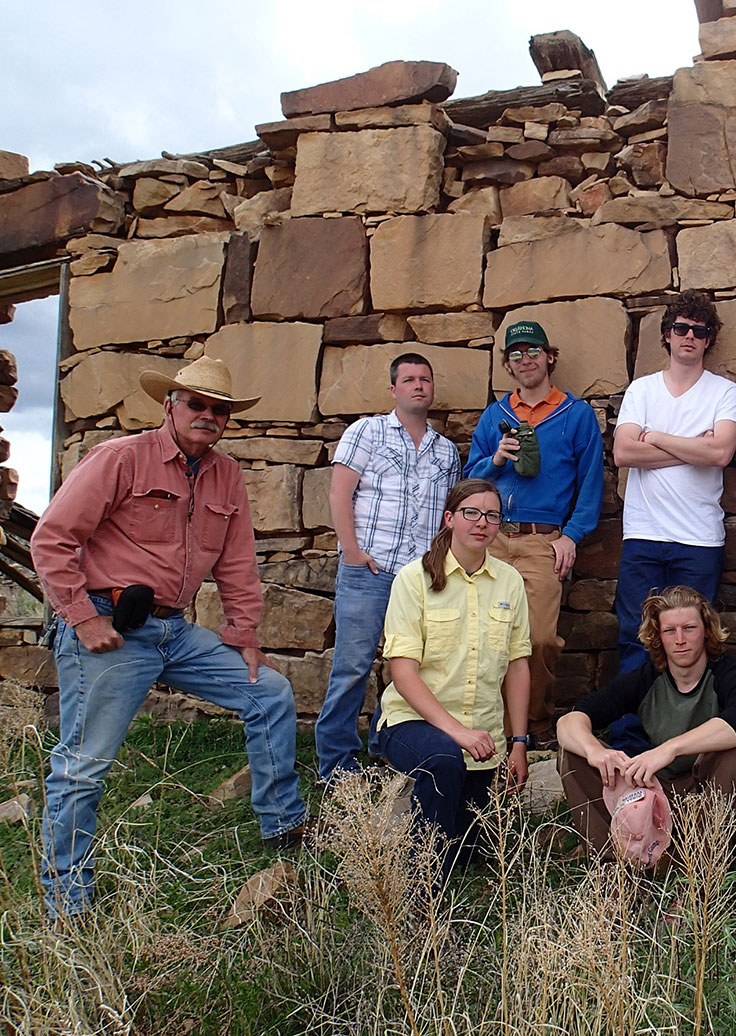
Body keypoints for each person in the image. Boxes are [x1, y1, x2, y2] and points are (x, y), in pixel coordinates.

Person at [31, 357, 310, 916]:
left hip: (174, 631)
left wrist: (244, 632)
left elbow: (236, 563)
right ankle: (68, 899)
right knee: (83, 765)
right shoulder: (120, 458)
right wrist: (83, 617)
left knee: (270, 692)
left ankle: (283, 828)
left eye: (219, 409)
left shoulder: (225, 474)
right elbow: (53, 539)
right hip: (110, 627)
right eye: (196, 404)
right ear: (170, 406)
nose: (208, 416)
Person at [368, 478, 531, 876]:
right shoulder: (414, 578)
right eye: (470, 513)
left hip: (483, 740)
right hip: (412, 723)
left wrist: (519, 743)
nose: (481, 523)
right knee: (443, 761)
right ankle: (423, 903)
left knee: (465, 849)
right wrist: (456, 732)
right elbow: (401, 672)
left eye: (492, 515)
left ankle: (432, 854)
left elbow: (517, 666)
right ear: (449, 519)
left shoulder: (510, 581)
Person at [314, 352, 461, 784]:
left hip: (418, 578)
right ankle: (335, 764)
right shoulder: (367, 432)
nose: (419, 386)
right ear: (393, 388)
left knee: (410, 666)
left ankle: (386, 744)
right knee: (352, 665)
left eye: (425, 380)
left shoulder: (446, 452)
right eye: (410, 379)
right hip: (369, 570)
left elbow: (446, 518)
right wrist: (352, 550)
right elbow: (340, 494)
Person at [465, 321, 604, 744]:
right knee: (480, 634)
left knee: (540, 638)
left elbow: (592, 485)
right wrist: (496, 461)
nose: (525, 360)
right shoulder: (496, 415)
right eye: (516, 354)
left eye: (533, 351)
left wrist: (571, 535)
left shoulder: (576, 415)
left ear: (550, 357)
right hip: (492, 536)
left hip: (544, 540)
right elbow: (469, 478)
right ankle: (487, 727)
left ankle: (536, 724)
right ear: (508, 364)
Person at [556, 585, 736, 859]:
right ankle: (614, 864)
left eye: (689, 628)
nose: (680, 639)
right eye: (669, 631)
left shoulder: (730, 674)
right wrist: (595, 752)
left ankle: (700, 867)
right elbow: (570, 720)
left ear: (706, 630)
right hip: (656, 792)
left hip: (706, 793)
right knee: (573, 751)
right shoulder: (646, 678)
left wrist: (669, 749)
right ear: (658, 637)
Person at [612, 291, 736, 671]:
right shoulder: (643, 390)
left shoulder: (724, 392)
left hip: (698, 539)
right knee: (636, 638)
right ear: (667, 334)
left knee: (693, 642)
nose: (689, 335)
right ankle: (630, 732)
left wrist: (654, 438)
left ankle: (686, 730)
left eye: (699, 330)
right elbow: (623, 454)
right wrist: (692, 449)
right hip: (644, 535)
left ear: (708, 339)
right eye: (681, 328)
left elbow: (720, 454)